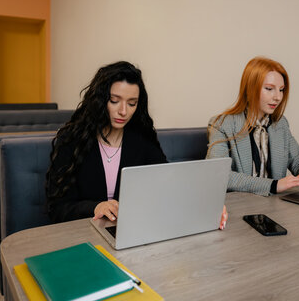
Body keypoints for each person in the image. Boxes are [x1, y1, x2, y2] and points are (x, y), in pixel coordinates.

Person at [46, 61, 228, 228]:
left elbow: (167, 186)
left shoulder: (142, 140)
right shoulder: (73, 140)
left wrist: (206, 206)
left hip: (130, 232)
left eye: (132, 103)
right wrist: (95, 207)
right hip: (82, 235)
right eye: (114, 101)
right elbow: (57, 208)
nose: (123, 111)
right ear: (100, 100)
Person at [207, 56, 299, 196]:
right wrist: (274, 185)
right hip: (240, 208)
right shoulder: (221, 124)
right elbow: (218, 175)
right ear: (250, 89)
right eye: (269, 89)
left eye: (281, 90)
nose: (278, 97)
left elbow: (297, 161)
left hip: (273, 206)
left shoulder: (280, 124)